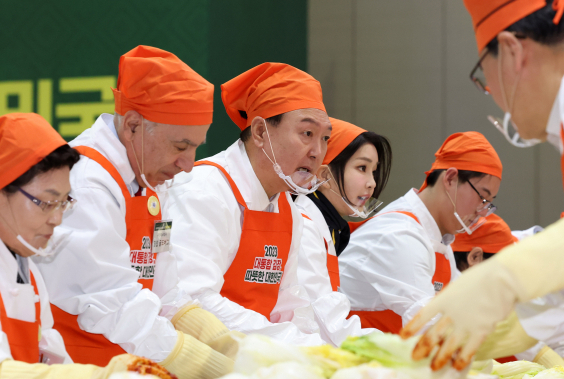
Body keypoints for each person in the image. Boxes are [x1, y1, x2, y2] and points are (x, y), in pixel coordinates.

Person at [402, 0, 564, 372]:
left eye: (484, 74)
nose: (491, 92)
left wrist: (505, 276)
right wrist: (507, 329)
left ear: (512, 51)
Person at [35, 46, 234, 379]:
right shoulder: (87, 182)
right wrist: (206, 366)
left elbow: (164, 288)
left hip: (132, 374)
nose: (188, 165)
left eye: (197, 147)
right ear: (132, 126)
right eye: (181, 146)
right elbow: (115, 304)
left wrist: (221, 340)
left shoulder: (150, 174)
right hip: (77, 377)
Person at [165, 63, 334, 345]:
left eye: (325, 138)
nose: (317, 152)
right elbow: (193, 301)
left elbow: (290, 303)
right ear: (259, 132)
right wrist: (290, 343)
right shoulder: (205, 190)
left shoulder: (287, 208)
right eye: (307, 134)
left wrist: (313, 349)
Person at [0, 113, 136, 379]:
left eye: (64, 203)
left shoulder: (27, 270)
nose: (57, 220)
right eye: (46, 203)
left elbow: (52, 364)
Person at [338, 131, 501, 333]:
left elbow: (462, 306)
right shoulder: (399, 235)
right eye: (482, 198)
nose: (482, 212)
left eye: (489, 204)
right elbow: (428, 322)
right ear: (450, 179)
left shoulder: (439, 241)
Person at [452, 213, 564, 367]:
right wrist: (544, 356)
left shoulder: (542, 267)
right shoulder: (459, 277)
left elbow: (557, 326)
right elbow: (505, 324)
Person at [295, 117, 392, 341]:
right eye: (362, 168)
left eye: (373, 171)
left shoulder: (330, 228)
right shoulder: (305, 225)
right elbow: (321, 315)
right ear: (324, 175)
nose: (372, 183)